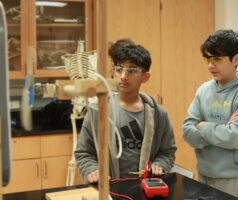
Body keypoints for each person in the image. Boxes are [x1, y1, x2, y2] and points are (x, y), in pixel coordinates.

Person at [75, 44, 177, 183]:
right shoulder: (97, 111)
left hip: (144, 188)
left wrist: (159, 165)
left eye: (132, 70)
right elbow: (84, 153)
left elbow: (167, 152)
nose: (123, 76)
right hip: (110, 189)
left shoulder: (159, 114)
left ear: (145, 77)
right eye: (119, 69)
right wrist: (92, 170)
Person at [182, 29, 238, 200]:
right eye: (207, 59)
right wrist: (222, 129)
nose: (210, 65)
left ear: (236, 59)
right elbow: (187, 132)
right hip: (204, 174)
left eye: (217, 59)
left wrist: (203, 126)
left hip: (235, 178)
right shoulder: (203, 90)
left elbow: (234, 137)